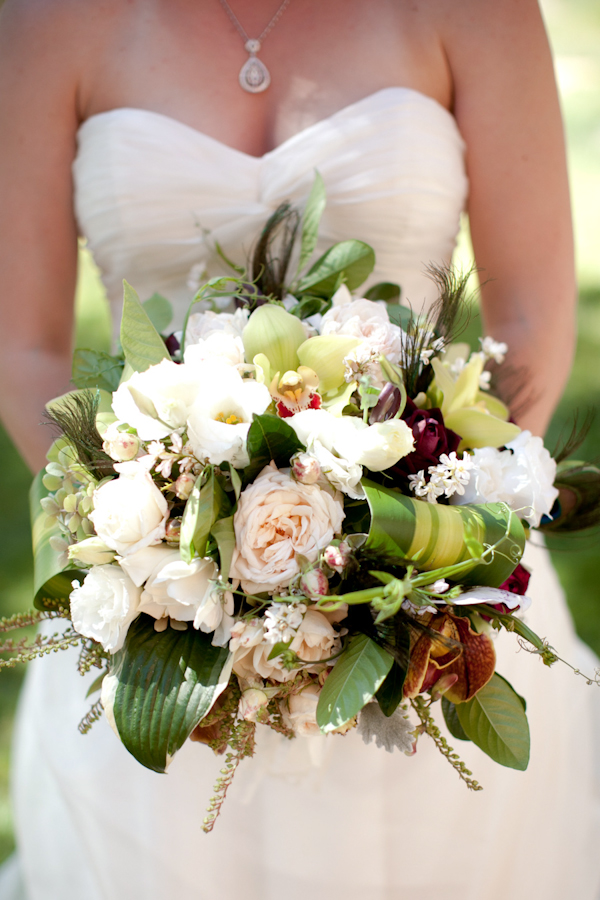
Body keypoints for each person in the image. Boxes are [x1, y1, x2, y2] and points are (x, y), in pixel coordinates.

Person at [0, 1, 598, 898]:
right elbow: (27, 349)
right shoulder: (43, 20)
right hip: (153, 610)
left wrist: (424, 550)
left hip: (430, 575)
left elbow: (530, 324)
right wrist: (145, 539)